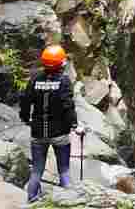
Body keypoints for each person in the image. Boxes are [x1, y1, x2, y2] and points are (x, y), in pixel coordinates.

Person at [19, 45, 81, 202]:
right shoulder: (64, 81)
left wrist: (26, 119)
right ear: (61, 64)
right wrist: (74, 125)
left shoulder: (34, 79)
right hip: (60, 133)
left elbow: (25, 101)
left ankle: (31, 200)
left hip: (38, 133)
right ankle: (69, 201)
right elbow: (68, 106)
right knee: (64, 171)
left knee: (37, 171)